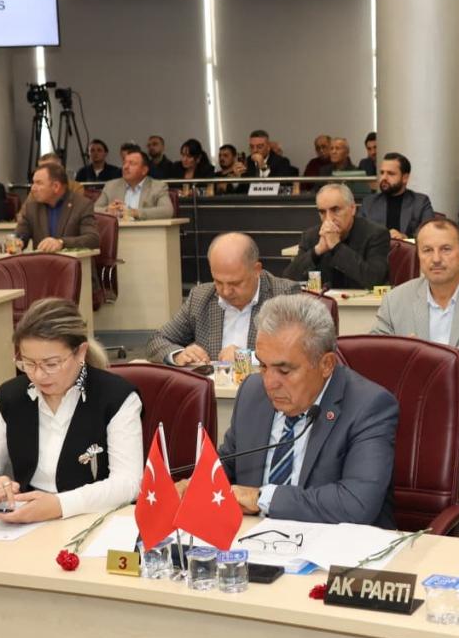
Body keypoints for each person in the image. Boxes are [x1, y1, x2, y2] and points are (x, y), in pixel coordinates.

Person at [206, 294, 399, 527]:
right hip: (251, 538)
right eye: (263, 366)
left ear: (326, 364)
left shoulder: (368, 406)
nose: (269, 383)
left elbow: (356, 504)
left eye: (284, 371)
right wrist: (198, 484)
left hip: (331, 543)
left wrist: (262, 498)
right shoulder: (252, 392)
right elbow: (225, 465)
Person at [0, 298, 143, 523]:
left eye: (51, 364)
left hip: (93, 518)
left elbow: (128, 483)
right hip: (28, 520)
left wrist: (59, 505)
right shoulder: (12, 397)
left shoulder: (116, 397)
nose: (38, 375)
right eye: (28, 363)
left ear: (80, 353)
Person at [372, 218, 459, 373]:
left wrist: (435, 358)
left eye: (446, 249)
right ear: (418, 255)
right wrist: (400, 353)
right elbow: (374, 352)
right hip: (412, 387)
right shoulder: (395, 300)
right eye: (427, 250)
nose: (436, 259)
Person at [148, 232, 299, 365]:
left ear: (256, 270)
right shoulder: (200, 297)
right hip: (213, 386)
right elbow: (158, 340)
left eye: (235, 283)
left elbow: (298, 352)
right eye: (218, 282)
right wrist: (179, 354)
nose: (226, 292)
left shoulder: (284, 295)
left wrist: (247, 357)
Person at [285, 183, 390, 289]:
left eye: (335, 210)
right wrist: (317, 251)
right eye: (322, 212)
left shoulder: (376, 234)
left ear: (352, 209)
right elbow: (287, 281)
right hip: (322, 299)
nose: (329, 218)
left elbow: (374, 280)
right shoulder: (311, 236)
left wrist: (337, 247)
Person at [15, 163, 100, 253]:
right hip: (42, 260)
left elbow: (93, 239)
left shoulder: (82, 205)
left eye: (39, 183)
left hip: (72, 260)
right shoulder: (31, 207)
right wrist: (18, 241)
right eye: (33, 183)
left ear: (56, 187)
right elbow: (21, 234)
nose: (33, 188)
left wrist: (61, 242)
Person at [358, 152, 435, 240]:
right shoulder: (369, 203)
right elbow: (359, 234)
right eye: (382, 173)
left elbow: (430, 234)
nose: (384, 178)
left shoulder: (420, 202)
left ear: (405, 178)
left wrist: (405, 238)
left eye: (390, 173)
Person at [94, 146, 173, 220]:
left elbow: (167, 211)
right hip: (118, 229)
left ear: (144, 170)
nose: (125, 167)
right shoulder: (111, 186)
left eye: (131, 163)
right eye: (124, 163)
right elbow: (93, 210)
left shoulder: (157, 187)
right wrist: (108, 210)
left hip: (146, 229)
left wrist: (134, 212)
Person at [228, 129, 297, 195]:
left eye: (259, 147)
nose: (255, 150)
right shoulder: (247, 161)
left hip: (272, 200)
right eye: (252, 147)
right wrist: (237, 179)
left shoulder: (281, 161)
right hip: (251, 201)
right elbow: (243, 190)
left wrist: (263, 167)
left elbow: (283, 187)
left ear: (268, 147)